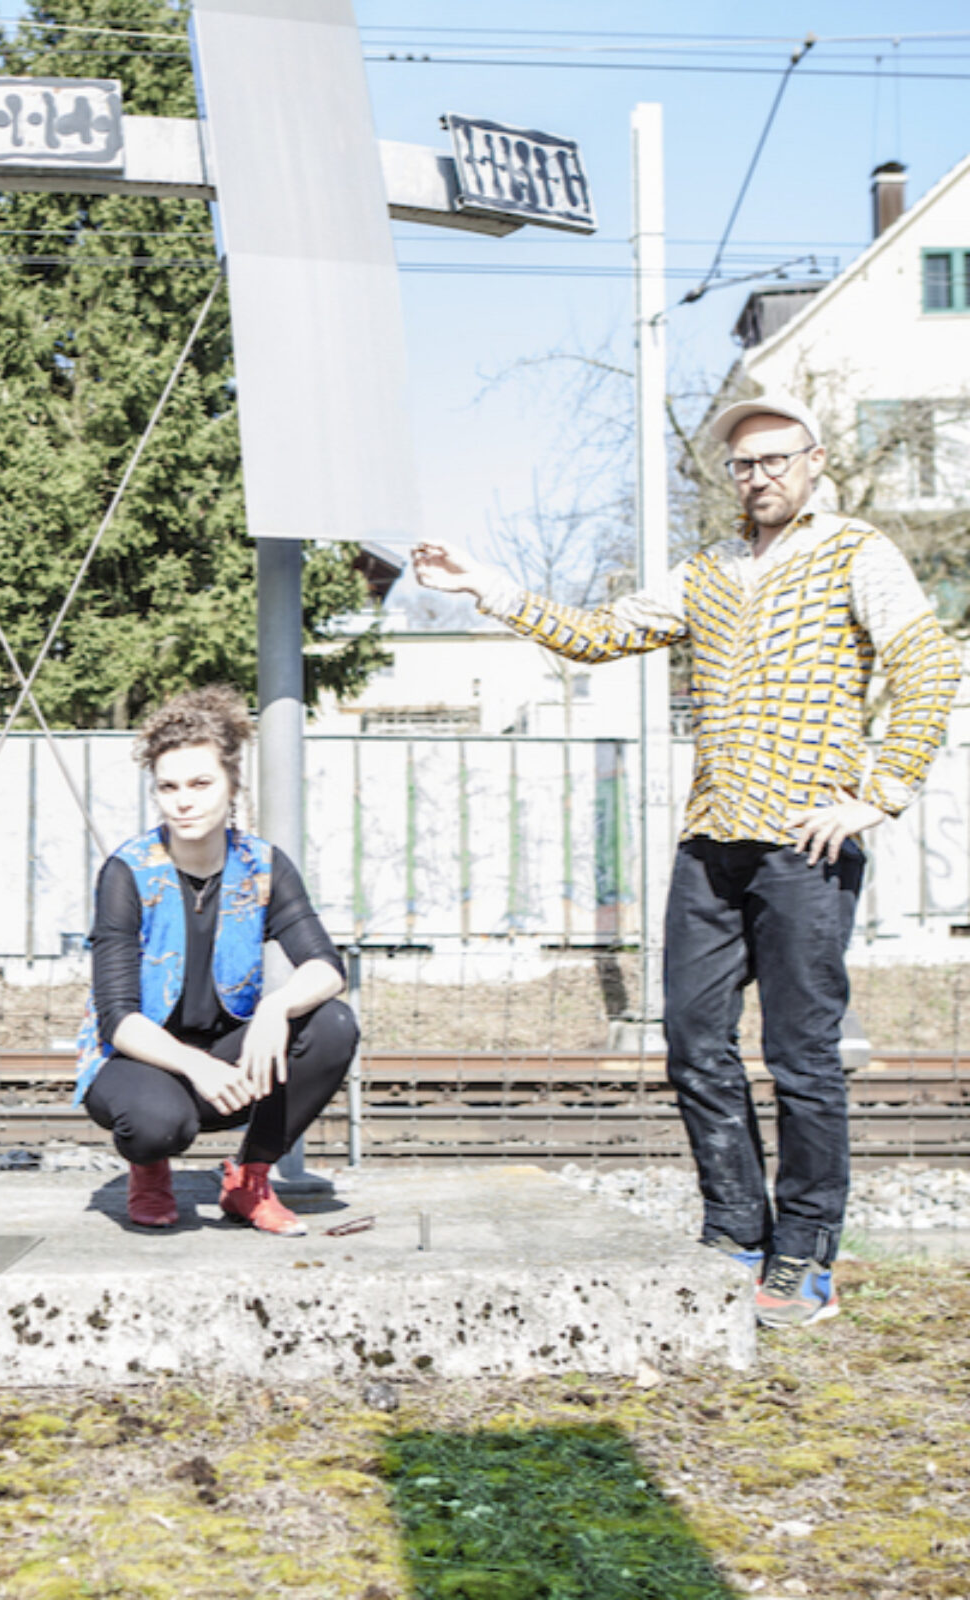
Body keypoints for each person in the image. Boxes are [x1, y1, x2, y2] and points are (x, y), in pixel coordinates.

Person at [413, 392, 961, 1329]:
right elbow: (596, 635)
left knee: (801, 1058)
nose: (759, 477)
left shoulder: (857, 552)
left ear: (816, 461)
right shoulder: (706, 572)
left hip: (805, 844)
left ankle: (805, 1253)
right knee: (694, 1046)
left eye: (776, 459)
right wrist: (487, 585)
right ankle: (736, 1230)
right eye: (743, 464)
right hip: (710, 844)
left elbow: (928, 662)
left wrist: (879, 793)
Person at [76, 686, 358, 1236]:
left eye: (201, 784)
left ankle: (250, 1180)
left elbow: (326, 966)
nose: (184, 801)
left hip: (227, 1058)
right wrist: (196, 1065)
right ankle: (149, 1170)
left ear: (232, 784)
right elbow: (117, 1019)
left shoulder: (263, 866)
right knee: (157, 1124)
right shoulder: (127, 872)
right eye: (169, 787)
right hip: (139, 1059)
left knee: (332, 1024)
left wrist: (277, 1007)